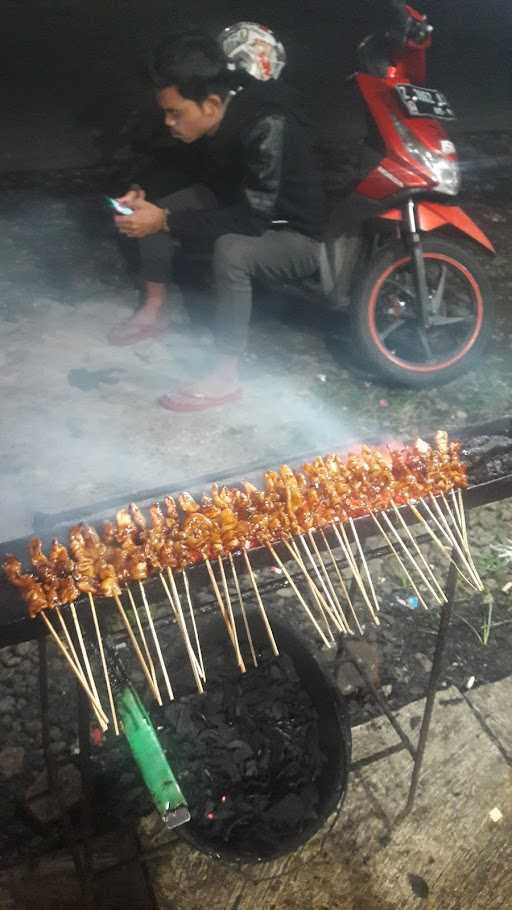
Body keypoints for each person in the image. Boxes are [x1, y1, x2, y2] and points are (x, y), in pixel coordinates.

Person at [110, 28, 324, 412]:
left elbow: (252, 219)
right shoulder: (219, 109)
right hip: (238, 205)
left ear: (210, 104)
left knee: (231, 251)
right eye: (166, 113)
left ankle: (226, 375)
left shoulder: (266, 126)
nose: (169, 123)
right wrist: (142, 191)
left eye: (176, 114)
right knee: (157, 205)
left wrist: (165, 222)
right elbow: (175, 162)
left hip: (292, 234)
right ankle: (153, 310)